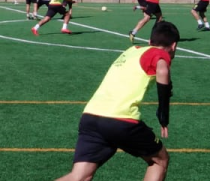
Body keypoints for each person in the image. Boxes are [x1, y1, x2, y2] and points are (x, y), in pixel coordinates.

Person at [55, 21, 178, 181]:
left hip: (90, 116)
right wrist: (163, 114)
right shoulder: (160, 54)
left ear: (149, 41)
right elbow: (162, 69)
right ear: (174, 46)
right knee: (160, 160)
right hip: (121, 120)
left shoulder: (132, 50)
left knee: (80, 176)